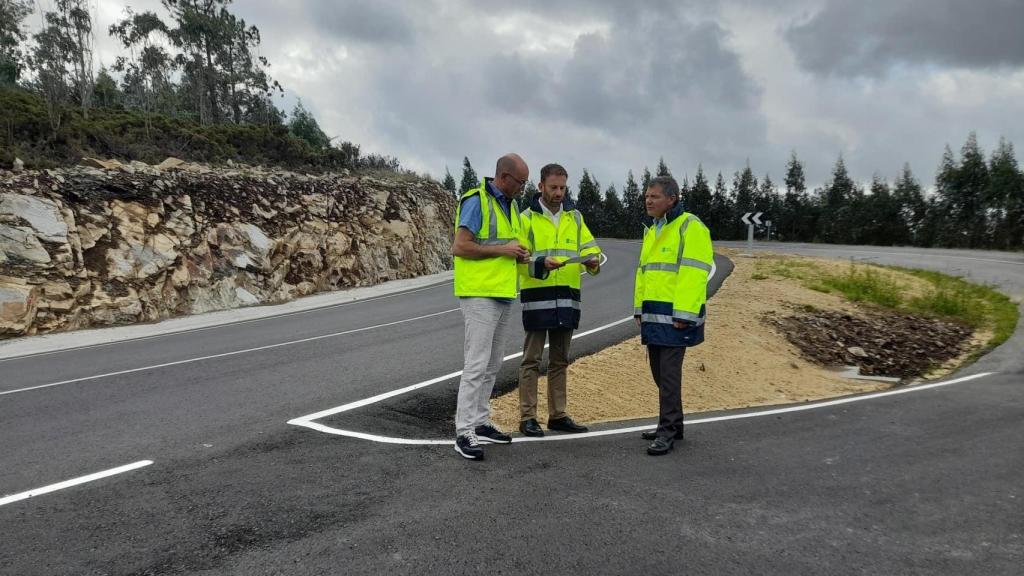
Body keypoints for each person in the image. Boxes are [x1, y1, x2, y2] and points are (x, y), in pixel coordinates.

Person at [451, 153, 531, 460]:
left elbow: (506, 248)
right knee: (476, 363)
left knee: (493, 363)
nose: (523, 188)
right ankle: (464, 431)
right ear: (504, 177)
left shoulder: (510, 205)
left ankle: (480, 421)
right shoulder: (476, 201)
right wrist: (504, 250)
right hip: (479, 293)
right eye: (521, 182)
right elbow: (460, 246)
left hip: (502, 292)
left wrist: (518, 255)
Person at [516, 163, 602, 437]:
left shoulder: (575, 219)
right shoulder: (525, 219)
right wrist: (541, 263)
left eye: (562, 187)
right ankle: (528, 417)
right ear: (540, 186)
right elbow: (518, 260)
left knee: (560, 360)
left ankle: (558, 415)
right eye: (553, 187)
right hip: (537, 297)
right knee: (531, 360)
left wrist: (592, 262)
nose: (558, 193)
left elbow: (593, 252)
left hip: (567, 298)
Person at [633, 176, 714, 456]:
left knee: (668, 376)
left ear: (672, 199)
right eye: (647, 196)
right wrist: (638, 308)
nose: (648, 200)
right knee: (659, 374)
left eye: (654, 196)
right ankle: (674, 424)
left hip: (676, 317)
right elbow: (644, 272)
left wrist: (685, 314)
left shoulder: (690, 226)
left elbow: (694, 273)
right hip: (654, 314)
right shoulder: (653, 229)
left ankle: (667, 431)